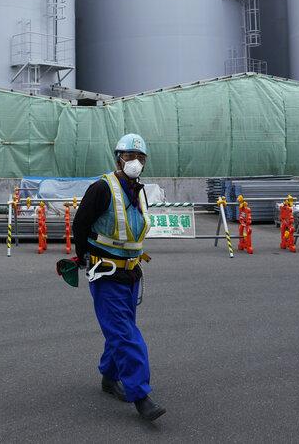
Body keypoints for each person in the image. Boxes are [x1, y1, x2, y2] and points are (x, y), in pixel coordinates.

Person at [72, 133, 166, 421]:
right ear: (118, 158)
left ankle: (109, 377)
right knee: (127, 336)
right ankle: (141, 395)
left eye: (140, 158)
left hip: (131, 274)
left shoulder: (138, 191)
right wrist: (84, 257)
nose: (135, 162)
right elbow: (80, 225)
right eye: (129, 156)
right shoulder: (102, 188)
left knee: (120, 331)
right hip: (106, 274)